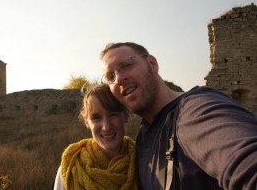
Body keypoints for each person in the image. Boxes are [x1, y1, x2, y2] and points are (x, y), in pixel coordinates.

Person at [100, 42, 257, 190]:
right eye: (111, 77)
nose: (119, 78)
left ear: (152, 64)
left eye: (127, 65)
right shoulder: (144, 135)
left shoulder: (194, 111)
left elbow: (247, 162)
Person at [53, 84, 138, 190]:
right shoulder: (71, 169)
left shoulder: (144, 162)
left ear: (125, 115)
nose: (106, 127)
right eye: (96, 118)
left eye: (113, 115)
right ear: (86, 122)